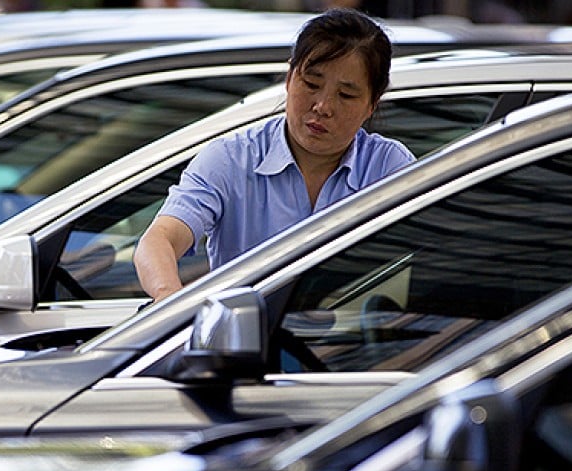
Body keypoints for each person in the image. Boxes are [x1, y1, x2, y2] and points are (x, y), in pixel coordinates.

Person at [133, 7, 415, 302]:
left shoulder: (389, 168)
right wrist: (169, 300)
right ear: (289, 77)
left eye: (346, 95)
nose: (323, 106)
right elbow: (159, 240)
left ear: (372, 103)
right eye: (311, 84)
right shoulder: (231, 159)